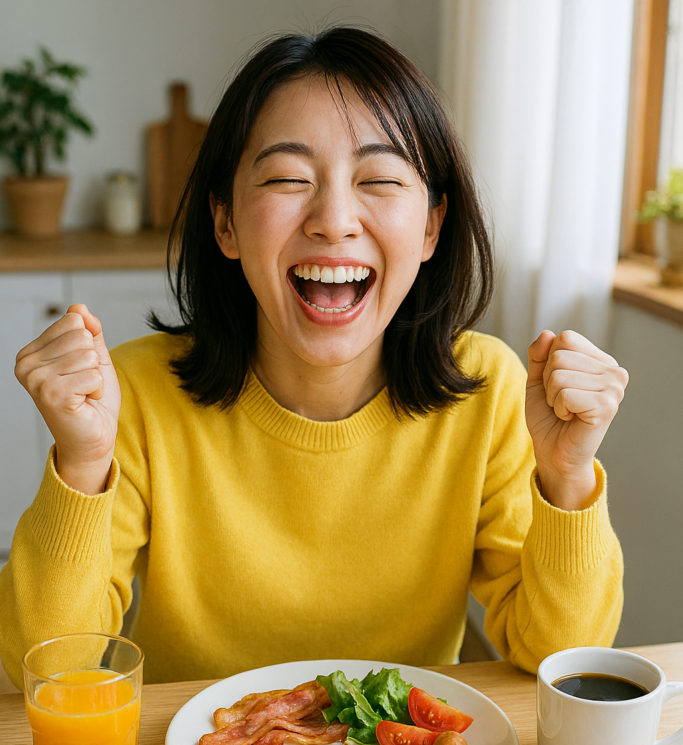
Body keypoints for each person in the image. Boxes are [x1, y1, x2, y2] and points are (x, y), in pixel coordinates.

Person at [0, 28, 627, 688]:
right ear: (225, 222)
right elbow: (45, 667)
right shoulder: (138, 392)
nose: (334, 219)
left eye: (379, 179)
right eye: (287, 178)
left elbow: (563, 658)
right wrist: (82, 463)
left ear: (431, 227)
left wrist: (567, 476)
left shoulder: (488, 390)